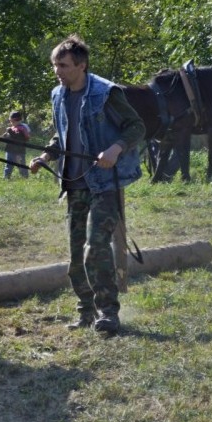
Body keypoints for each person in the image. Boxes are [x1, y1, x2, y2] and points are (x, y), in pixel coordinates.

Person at [30, 35, 145, 334]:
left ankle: (109, 312)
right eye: (55, 65)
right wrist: (45, 156)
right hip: (74, 183)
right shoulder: (58, 95)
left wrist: (116, 149)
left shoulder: (106, 94)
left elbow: (136, 127)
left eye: (64, 65)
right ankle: (86, 311)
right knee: (74, 253)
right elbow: (62, 134)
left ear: (81, 65)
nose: (58, 71)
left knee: (95, 247)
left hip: (105, 182)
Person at [3, 110, 31, 179]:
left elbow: (18, 137)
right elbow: (9, 137)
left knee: (21, 166)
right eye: (11, 121)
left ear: (17, 120)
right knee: (8, 165)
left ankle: (25, 178)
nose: (11, 123)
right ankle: (6, 178)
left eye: (12, 121)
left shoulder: (22, 128)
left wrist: (9, 131)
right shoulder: (12, 127)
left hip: (19, 151)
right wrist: (5, 135)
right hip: (9, 150)